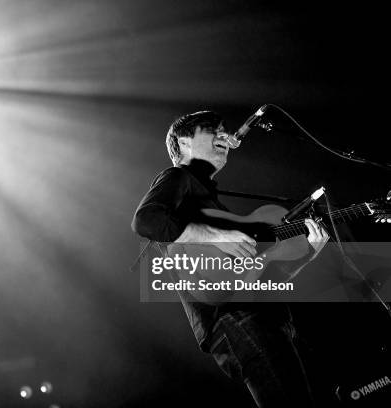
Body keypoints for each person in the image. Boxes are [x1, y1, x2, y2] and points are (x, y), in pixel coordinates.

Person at [131, 111, 329, 407]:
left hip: (262, 316)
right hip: (234, 317)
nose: (225, 137)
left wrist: (309, 254)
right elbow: (145, 220)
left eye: (225, 131)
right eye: (214, 131)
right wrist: (215, 236)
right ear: (184, 143)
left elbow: (264, 279)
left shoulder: (210, 203)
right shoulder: (177, 177)